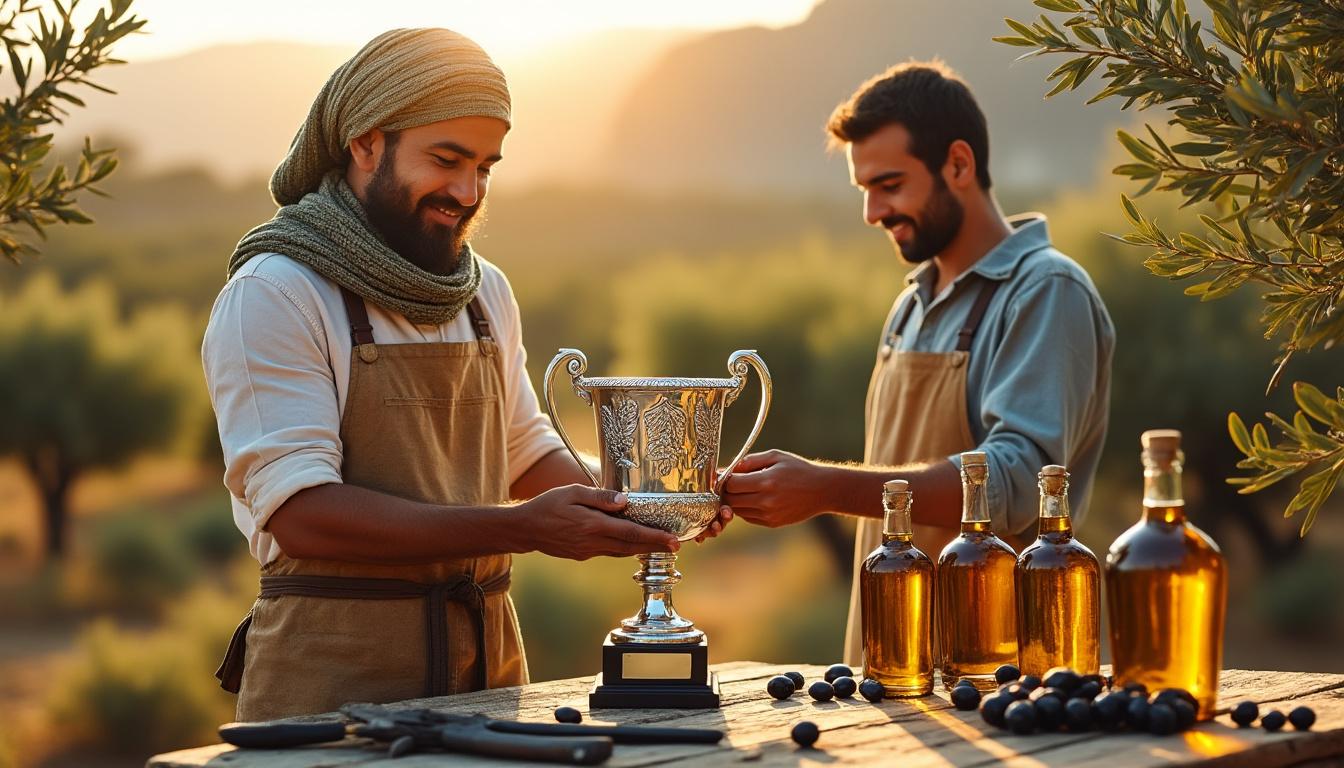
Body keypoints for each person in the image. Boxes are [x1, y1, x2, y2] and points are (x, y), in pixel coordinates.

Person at [202, 28, 726, 720]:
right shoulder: (278, 291)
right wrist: (525, 530)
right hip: (330, 684)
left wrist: (655, 496)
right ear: (364, 142)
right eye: (446, 159)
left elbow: (527, 451)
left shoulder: (483, 294)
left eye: (486, 166)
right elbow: (302, 516)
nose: (468, 189)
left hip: (489, 677)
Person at [721, 61, 1115, 666]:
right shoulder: (910, 305)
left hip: (992, 674)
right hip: (889, 663)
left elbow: (1018, 482)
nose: (873, 212)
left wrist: (824, 487)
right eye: (865, 191)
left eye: (890, 185)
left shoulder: (1046, 291)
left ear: (958, 165)